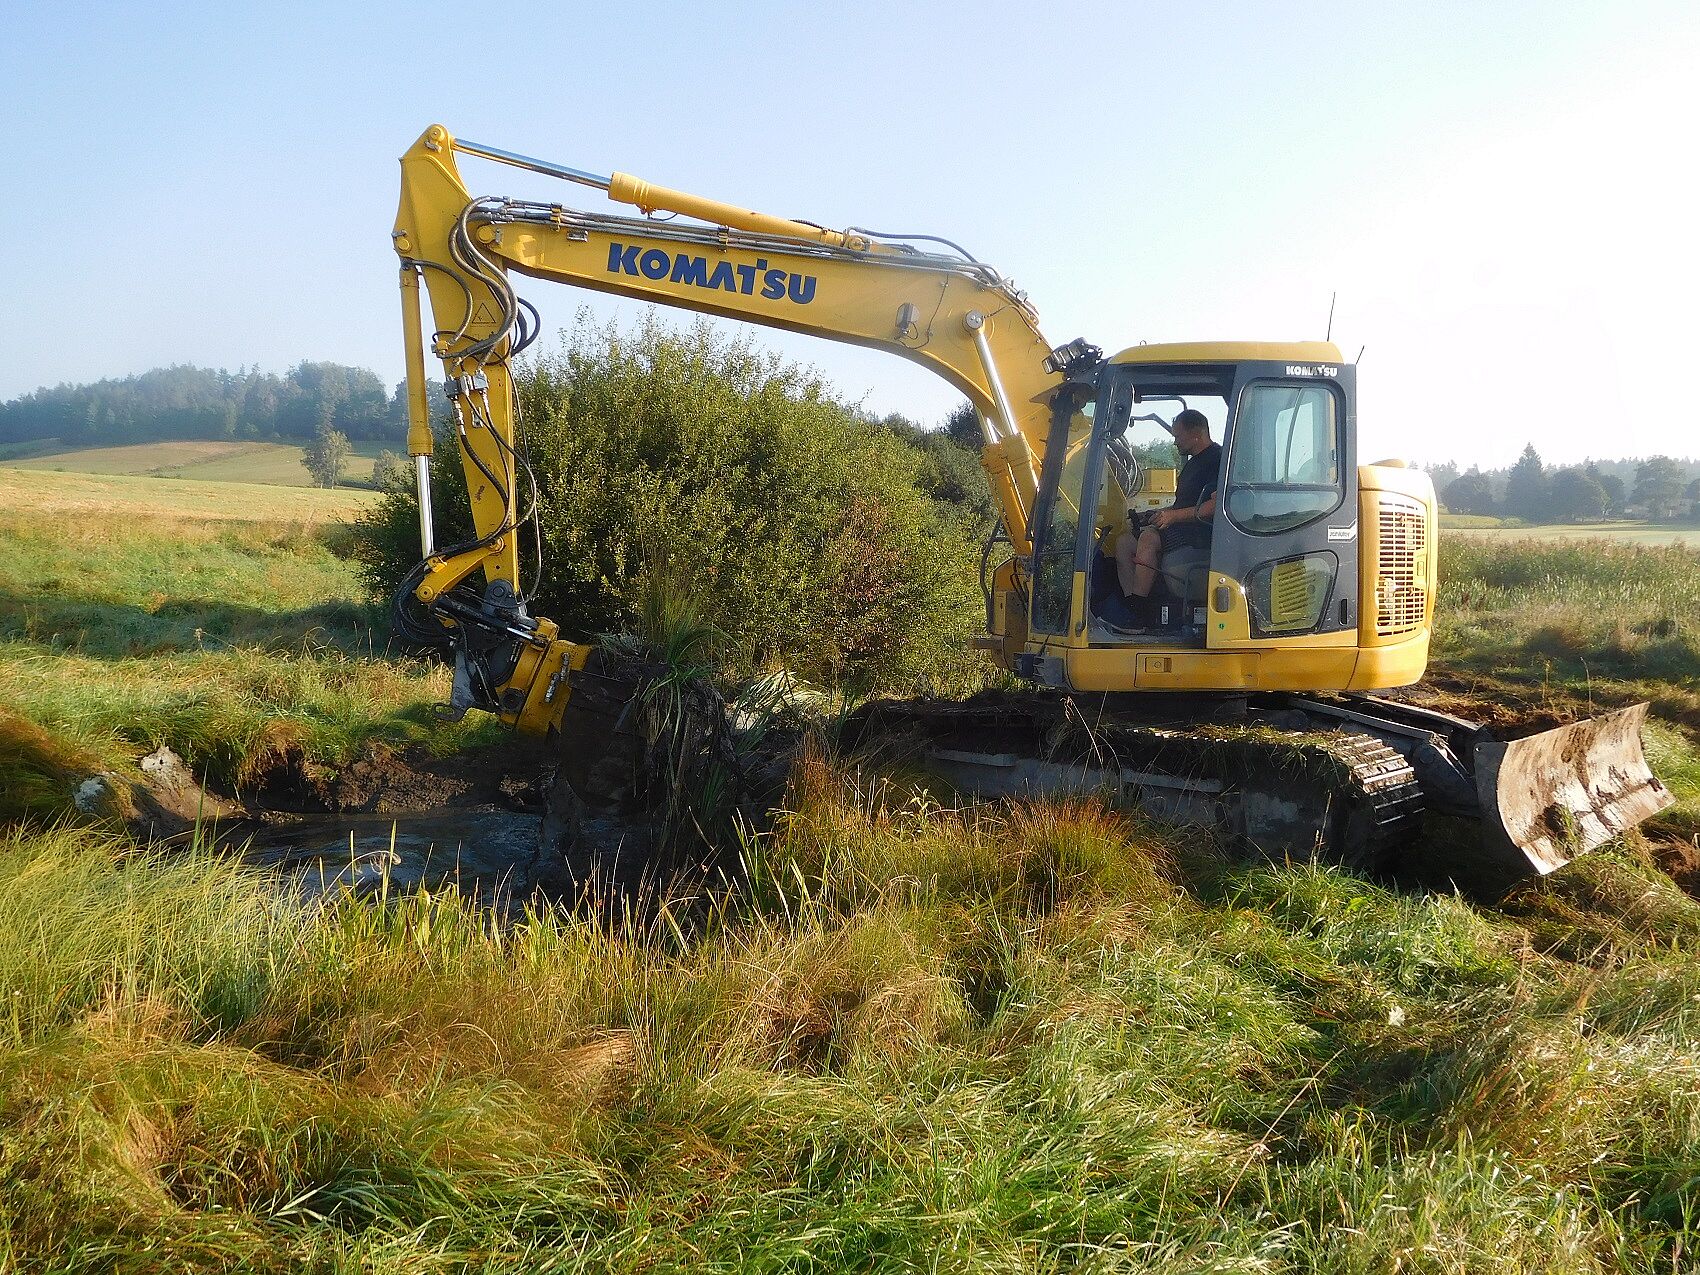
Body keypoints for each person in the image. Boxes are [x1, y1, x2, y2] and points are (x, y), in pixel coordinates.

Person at [1107, 408, 1221, 627]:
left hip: (1201, 533)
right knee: (1124, 543)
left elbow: (1216, 506)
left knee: (1148, 539)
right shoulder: (1192, 463)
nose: (1175, 441)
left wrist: (1173, 516)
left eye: (1178, 436)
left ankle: (1139, 612)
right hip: (1183, 527)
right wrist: (1156, 514)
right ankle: (1131, 606)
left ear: (1196, 434)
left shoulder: (1217, 460)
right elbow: (1183, 504)